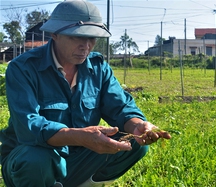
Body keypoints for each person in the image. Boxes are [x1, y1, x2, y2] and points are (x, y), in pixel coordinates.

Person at [0, 1, 171, 187]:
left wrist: (137, 125)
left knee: (135, 144)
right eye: (77, 37)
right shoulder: (24, 68)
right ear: (54, 34)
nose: (86, 46)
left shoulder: (99, 69)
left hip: (80, 156)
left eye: (92, 38)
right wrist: (79, 136)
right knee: (36, 159)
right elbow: (29, 127)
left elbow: (120, 108)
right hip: (31, 158)